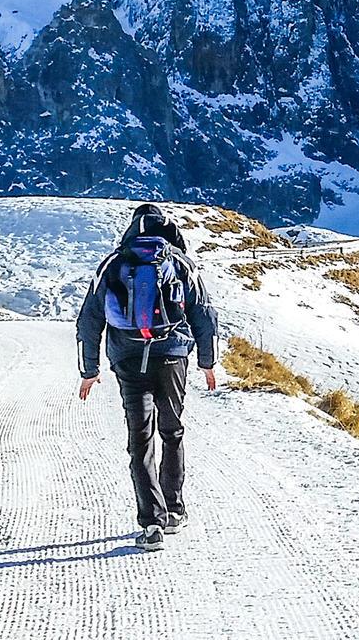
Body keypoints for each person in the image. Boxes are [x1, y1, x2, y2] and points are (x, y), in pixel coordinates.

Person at [77, 206, 219, 551]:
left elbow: (89, 319)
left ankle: (152, 524)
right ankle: (175, 510)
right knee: (172, 431)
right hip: (172, 356)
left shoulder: (114, 263)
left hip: (128, 360)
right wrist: (207, 362)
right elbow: (204, 313)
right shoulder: (180, 263)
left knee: (140, 440)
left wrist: (89, 370)